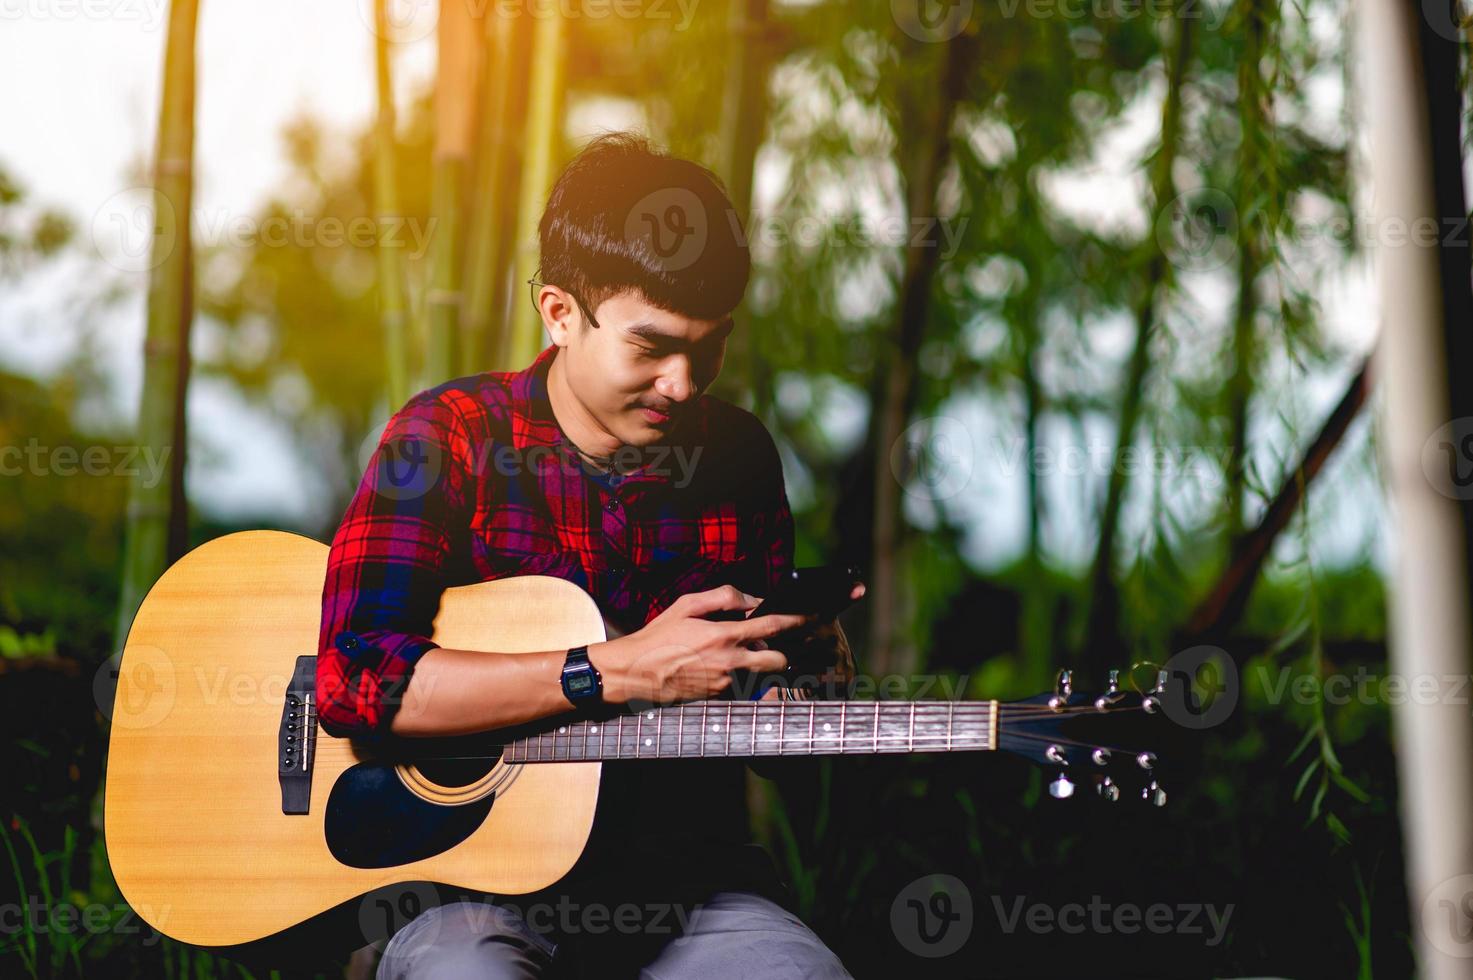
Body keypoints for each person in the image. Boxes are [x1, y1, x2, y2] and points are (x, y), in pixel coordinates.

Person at [316, 132, 859, 978]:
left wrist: (803, 689)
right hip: (464, 888)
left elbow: (756, 723)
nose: (682, 384)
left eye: (707, 347)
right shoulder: (448, 435)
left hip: (684, 884)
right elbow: (356, 678)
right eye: (650, 348)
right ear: (561, 312)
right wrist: (612, 670)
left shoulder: (738, 457)